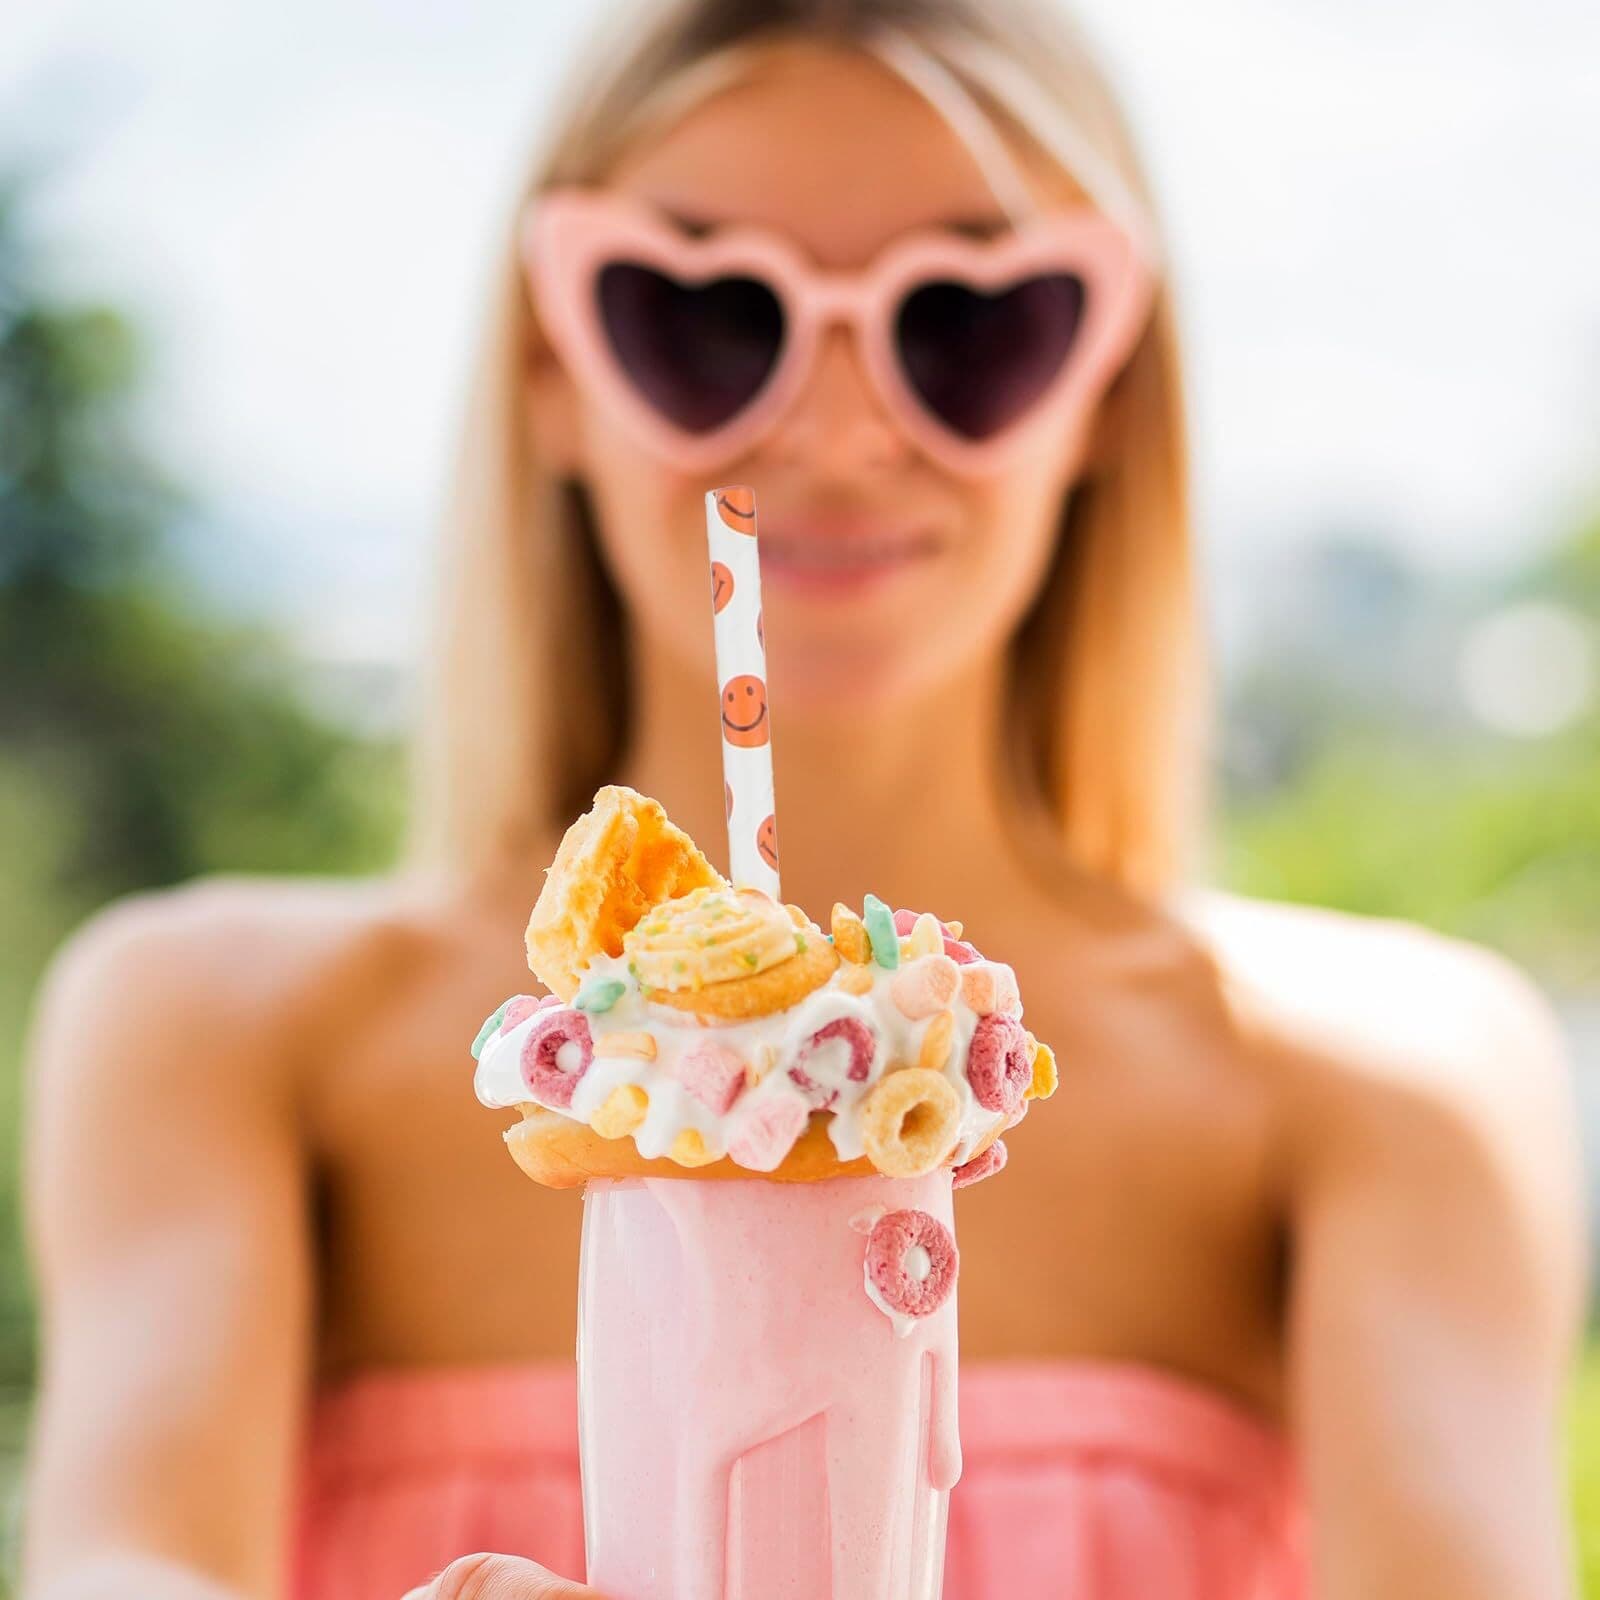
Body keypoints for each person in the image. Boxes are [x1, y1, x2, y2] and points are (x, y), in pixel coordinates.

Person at [21, 0, 1587, 1597]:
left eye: (970, 322)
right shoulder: (216, 1038)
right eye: (706, 313)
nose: (836, 433)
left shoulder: (1390, 1091)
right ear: (554, 371)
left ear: (1108, 389)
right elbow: (120, 1561)